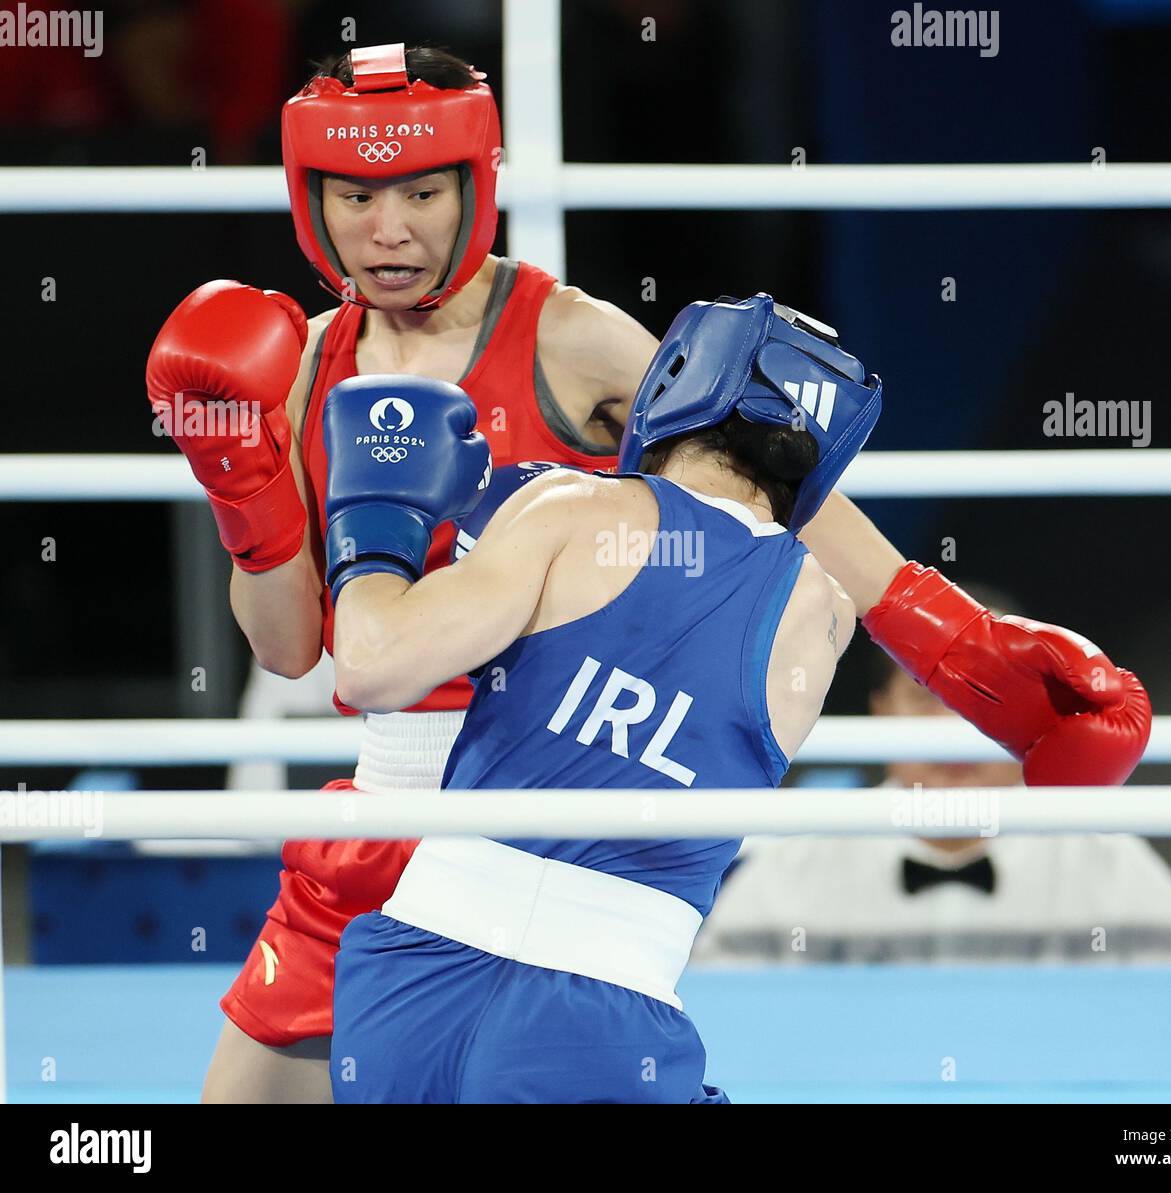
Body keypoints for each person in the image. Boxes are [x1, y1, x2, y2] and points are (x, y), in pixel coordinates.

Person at [144, 42, 1149, 1101]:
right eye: (354, 196)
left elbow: (778, 482)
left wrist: (968, 652)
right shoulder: (298, 364)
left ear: (471, 188)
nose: (387, 229)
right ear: (312, 199)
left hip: (553, 798)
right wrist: (241, 489)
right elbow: (291, 645)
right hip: (388, 794)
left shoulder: (570, 340)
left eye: (421, 193)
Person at [324, 293, 880, 1102]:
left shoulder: (567, 511)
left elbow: (369, 668)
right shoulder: (823, 614)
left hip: (411, 984)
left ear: (676, 380)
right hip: (605, 1016)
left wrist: (378, 523)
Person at [692, 585, 1171, 966]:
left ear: (1039, 715)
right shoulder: (793, 866)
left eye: (984, 702)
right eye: (926, 698)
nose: (951, 730)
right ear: (880, 710)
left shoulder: (1107, 861)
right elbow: (723, 1028)